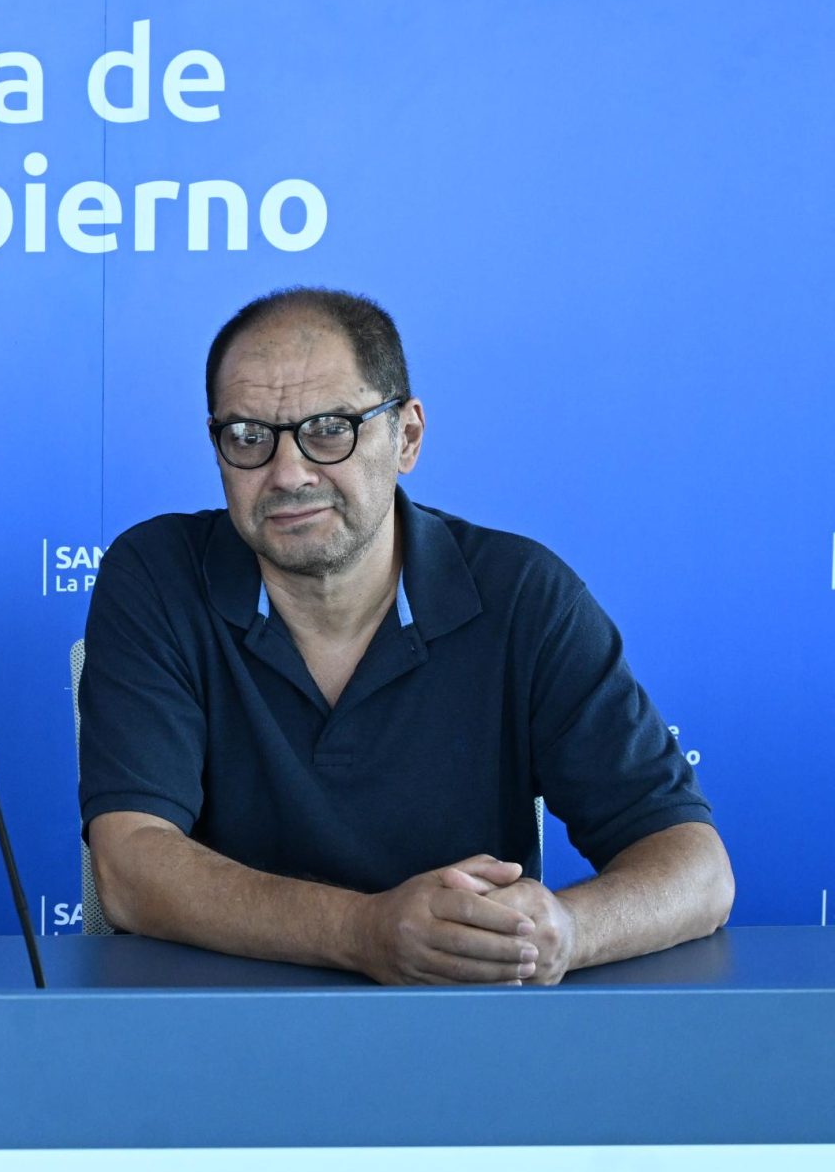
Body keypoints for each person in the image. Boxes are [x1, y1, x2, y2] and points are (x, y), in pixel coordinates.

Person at [79, 286, 732, 984]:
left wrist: (566, 932)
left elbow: (697, 869)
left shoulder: (523, 596)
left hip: (466, 1025)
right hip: (218, 1025)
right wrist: (363, 932)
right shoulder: (157, 576)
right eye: (248, 437)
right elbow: (129, 865)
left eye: (329, 429)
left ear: (407, 437)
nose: (288, 473)